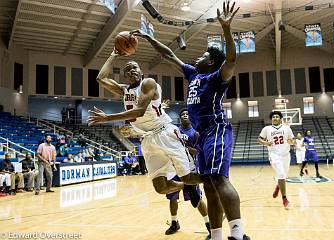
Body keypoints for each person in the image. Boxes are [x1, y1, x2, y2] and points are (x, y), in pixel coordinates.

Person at [131, 2, 250, 239]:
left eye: (204, 55)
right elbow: (169, 54)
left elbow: (232, 61)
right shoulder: (193, 74)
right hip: (203, 133)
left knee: (217, 178)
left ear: (212, 62)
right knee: (207, 183)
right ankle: (216, 234)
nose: (198, 56)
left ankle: (238, 234)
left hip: (216, 129)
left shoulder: (217, 76)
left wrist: (226, 29)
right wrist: (147, 37)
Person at [88, 38, 202, 207]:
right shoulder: (125, 90)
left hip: (165, 133)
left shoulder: (148, 83)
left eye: (134, 67)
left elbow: (139, 111)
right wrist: (113, 55)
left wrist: (108, 118)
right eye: (128, 69)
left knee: (188, 176)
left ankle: (216, 179)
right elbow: (100, 78)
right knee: (161, 187)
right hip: (147, 139)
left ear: (140, 71)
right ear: (126, 75)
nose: (131, 70)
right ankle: (187, 187)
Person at [164, 109, 210, 237]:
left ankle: (208, 224)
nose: (185, 115)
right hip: (173, 169)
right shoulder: (174, 131)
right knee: (172, 197)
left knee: (197, 198)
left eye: (187, 114)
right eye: (183, 114)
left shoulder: (195, 133)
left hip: (189, 168)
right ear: (180, 118)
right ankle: (174, 222)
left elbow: (197, 152)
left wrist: (183, 148)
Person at [258, 111, 295, 209]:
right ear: (271, 119)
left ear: (280, 118)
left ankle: (278, 186)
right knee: (281, 174)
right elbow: (259, 139)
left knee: (283, 176)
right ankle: (285, 199)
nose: (275, 118)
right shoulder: (267, 129)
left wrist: (291, 142)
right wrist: (265, 143)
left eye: (277, 117)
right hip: (274, 154)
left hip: (286, 155)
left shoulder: (287, 128)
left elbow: (293, 140)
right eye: (273, 117)